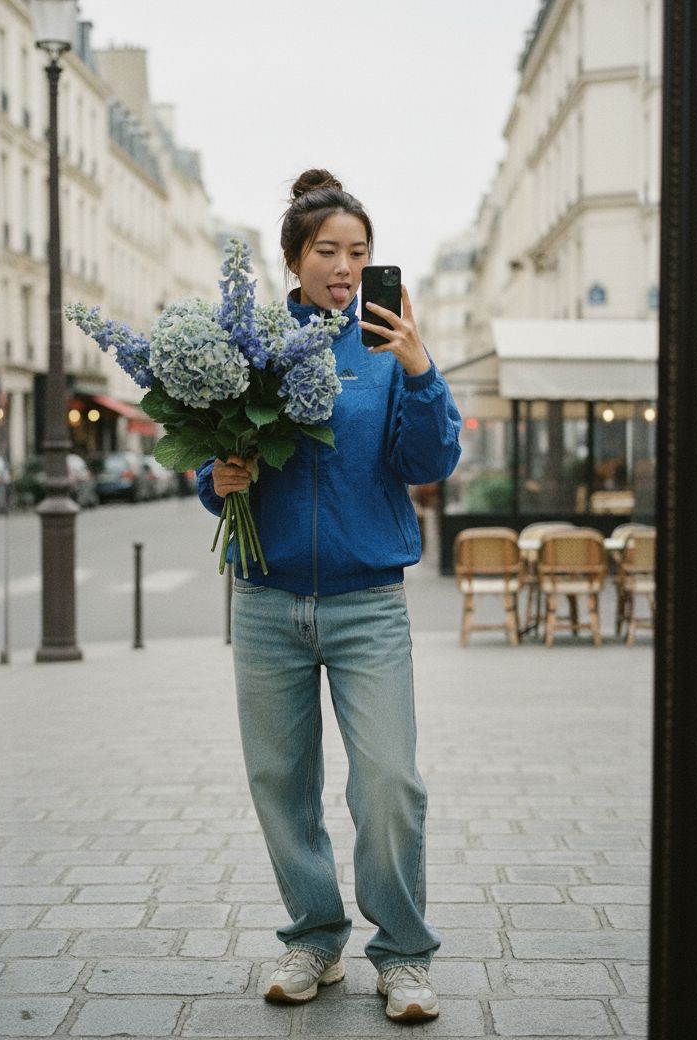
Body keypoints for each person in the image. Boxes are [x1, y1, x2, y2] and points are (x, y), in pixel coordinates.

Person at [196, 169, 462, 1022]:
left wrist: (420, 372)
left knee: (389, 781)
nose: (345, 268)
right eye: (328, 252)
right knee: (280, 781)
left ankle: (403, 956)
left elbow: (428, 465)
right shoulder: (254, 345)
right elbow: (214, 455)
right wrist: (217, 475)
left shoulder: (388, 350)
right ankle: (313, 938)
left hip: (367, 604)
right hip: (268, 600)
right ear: (294, 259)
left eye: (359, 252)